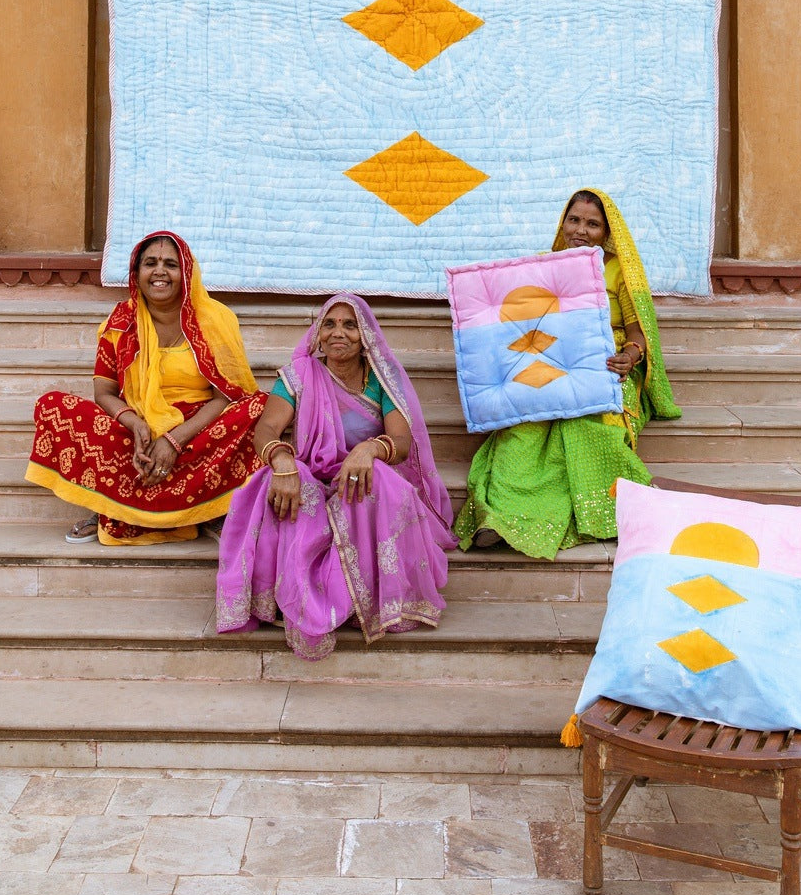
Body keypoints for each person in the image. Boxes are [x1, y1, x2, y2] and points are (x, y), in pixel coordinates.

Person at [216, 293, 454, 660]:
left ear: (365, 336)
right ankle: (302, 602)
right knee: (275, 485)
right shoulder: (299, 375)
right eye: (329, 323)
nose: (338, 333)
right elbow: (266, 431)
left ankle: (357, 598)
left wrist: (369, 449)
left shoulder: (381, 380)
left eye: (349, 325)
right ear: (318, 333)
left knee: (379, 482)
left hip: (356, 479)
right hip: (308, 474)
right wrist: (282, 462)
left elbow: (402, 441)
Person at [454, 188, 680, 556]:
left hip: (604, 363)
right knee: (524, 426)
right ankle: (501, 518)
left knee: (585, 426)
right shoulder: (542, 267)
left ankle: (605, 512)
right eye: (574, 220)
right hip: (547, 358)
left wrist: (630, 355)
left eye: (593, 224)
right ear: (562, 222)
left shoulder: (619, 270)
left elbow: (640, 333)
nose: (581, 230)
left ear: (607, 233)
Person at [26, 231, 266, 545]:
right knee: (53, 405)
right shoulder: (120, 321)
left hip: (197, 433)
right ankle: (105, 504)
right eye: (150, 263)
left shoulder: (215, 320)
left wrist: (174, 439)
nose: (159, 271)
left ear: (186, 273)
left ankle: (210, 509)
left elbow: (226, 396)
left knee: (260, 406)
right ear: (136, 273)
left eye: (170, 264)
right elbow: (104, 393)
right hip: (136, 433)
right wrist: (136, 424)